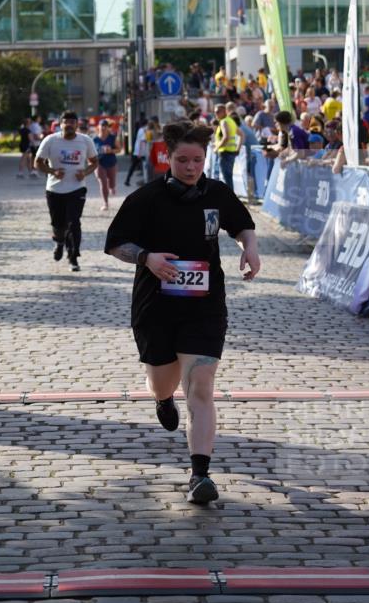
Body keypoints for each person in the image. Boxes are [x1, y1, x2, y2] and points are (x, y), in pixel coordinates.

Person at [104, 120, 260, 505]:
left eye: (197, 160)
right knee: (163, 383)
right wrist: (147, 257)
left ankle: (200, 474)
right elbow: (115, 243)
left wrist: (250, 249)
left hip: (205, 305)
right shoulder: (146, 198)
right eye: (182, 160)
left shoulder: (217, 193)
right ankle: (162, 399)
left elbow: (243, 227)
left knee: (201, 385)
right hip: (155, 307)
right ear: (167, 158)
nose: (191, 168)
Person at [35, 110, 98, 272]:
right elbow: (38, 162)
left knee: (73, 222)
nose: (69, 125)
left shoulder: (85, 141)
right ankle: (59, 242)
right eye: (66, 122)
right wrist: (53, 171)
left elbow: (94, 162)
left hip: (77, 188)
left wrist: (85, 172)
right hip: (54, 189)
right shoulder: (50, 140)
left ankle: (73, 257)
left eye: (72, 122)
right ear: (60, 124)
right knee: (58, 224)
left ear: (77, 125)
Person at [93, 118, 121, 210]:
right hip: (99, 163)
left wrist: (111, 150)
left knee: (112, 182)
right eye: (102, 126)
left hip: (111, 163)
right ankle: (105, 203)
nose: (103, 128)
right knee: (103, 183)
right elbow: (90, 153)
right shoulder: (94, 139)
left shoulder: (112, 137)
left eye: (105, 126)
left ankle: (112, 187)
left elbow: (119, 149)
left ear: (107, 127)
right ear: (98, 127)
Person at [213, 102, 241, 190]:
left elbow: (226, 137)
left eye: (218, 112)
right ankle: (230, 195)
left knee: (226, 177)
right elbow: (242, 135)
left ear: (224, 111)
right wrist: (238, 149)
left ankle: (229, 196)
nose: (216, 114)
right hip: (231, 152)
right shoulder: (230, 121)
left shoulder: (224, 122)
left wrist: (216, 148)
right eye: (215, 112)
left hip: (225, 152)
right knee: (228, 177)